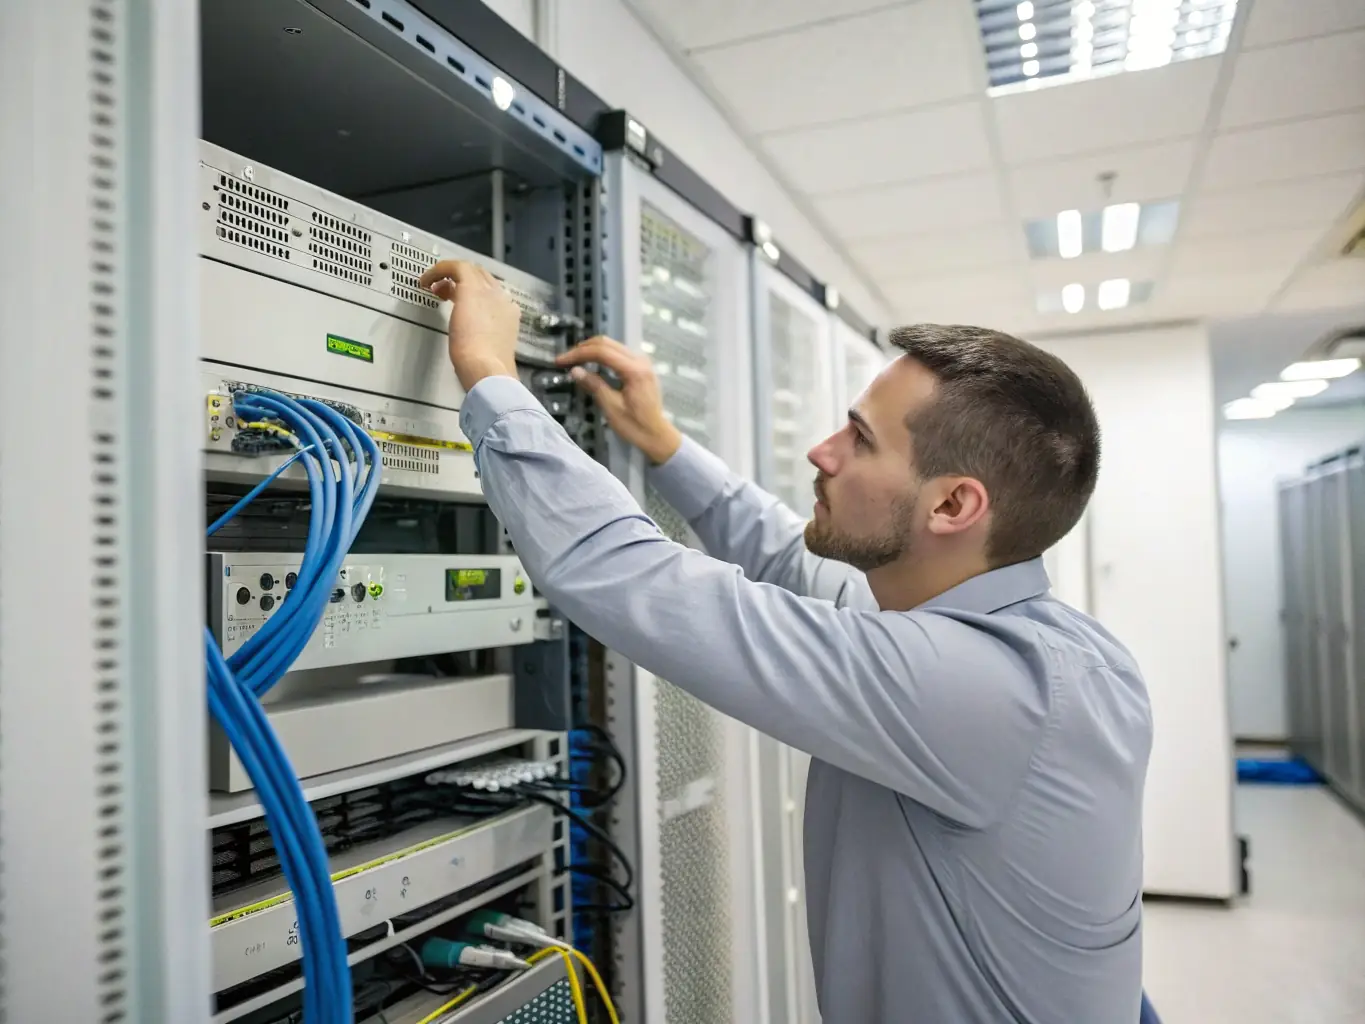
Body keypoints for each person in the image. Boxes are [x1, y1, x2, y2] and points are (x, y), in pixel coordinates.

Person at [419, 260, 1153, 1023]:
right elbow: (787, 557)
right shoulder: (1031, 643)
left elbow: (628, 576)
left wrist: (491, 377)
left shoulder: (981, 690)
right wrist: (664, 445)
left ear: (952, 505)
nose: (822, 451)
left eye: (860, 440)